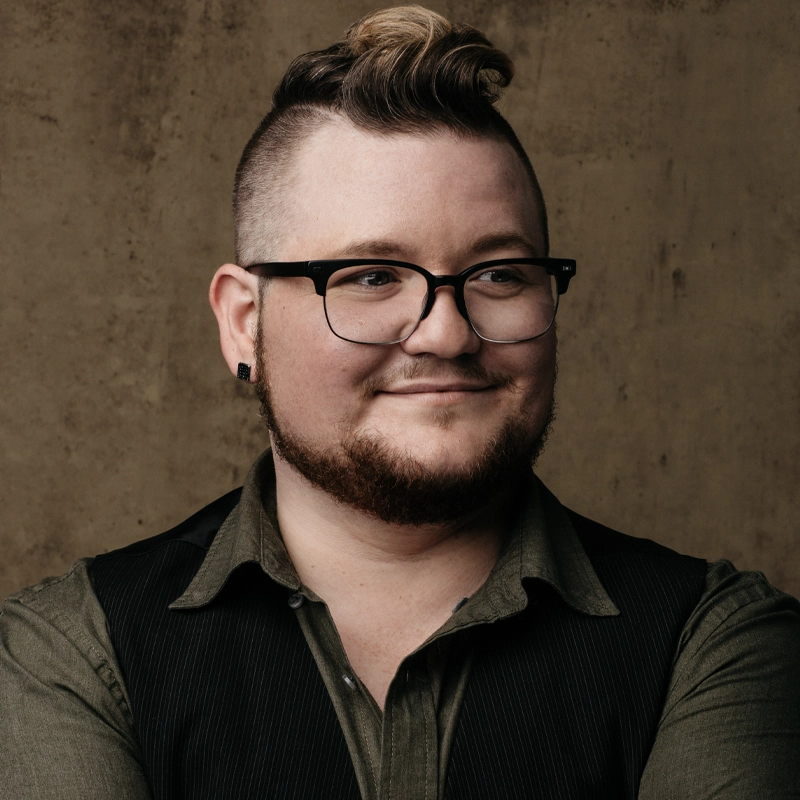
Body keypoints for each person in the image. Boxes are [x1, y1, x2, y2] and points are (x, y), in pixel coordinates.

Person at [2, 6, 799, 799]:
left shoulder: (716, 641)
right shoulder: (70, 651)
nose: (447, 334)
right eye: (372, 277)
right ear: (245, 323)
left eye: (499, 275)